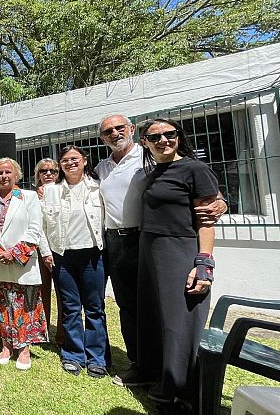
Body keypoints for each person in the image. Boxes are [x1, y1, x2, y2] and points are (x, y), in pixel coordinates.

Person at [95, 114, 228, 388]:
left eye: (120, 128)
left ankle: (172, 377)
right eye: (108, 131)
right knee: (131, 307)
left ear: (132, 131)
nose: (115, 133)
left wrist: (220, 202)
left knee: (164, 310)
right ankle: (140, 364)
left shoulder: (150, 157)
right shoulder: (102, 167)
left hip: (147, 238)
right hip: (120, 242)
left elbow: (196, 186)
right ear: (103, 138)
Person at [138, 118, 220, 412]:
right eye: (155, 136)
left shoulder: (195, 168)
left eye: (169, 134)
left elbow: (207, 218)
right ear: (145, 142)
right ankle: (162, 377)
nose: (163, 140)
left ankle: (179, 391)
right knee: (156, 318)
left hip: (179, 249)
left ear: (178, 136)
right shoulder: (154, 171)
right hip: (151, 250)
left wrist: (203, 263)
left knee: (179, 322)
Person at [42, 146, 108, 378]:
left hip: (92, 255)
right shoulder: (51, 191)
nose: (70, 163)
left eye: (74, 159)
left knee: (94, 308)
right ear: (60, 165)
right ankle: (73, 354)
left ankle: (97, 358)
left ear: (84, 161)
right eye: (65, 160)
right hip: (62, 255)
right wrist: (46, 252)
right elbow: (43, 227)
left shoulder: (98, 188)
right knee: (70, 308)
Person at [0, 158, 48, 369]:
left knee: (24, 305)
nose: (4, 176)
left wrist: (15, 253)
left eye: (8, 172)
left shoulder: (28, 197)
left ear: (16, 175)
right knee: (1, 304)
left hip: (22, 263)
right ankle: (6, 346)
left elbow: (35, 229)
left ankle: (24, 348)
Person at [33, 158, 63, 346]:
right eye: (44, 171)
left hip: (61, 249)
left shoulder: (64, 191)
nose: (49, 174)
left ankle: (62, 334)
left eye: (53, 171)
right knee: (41, 292)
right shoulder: (32, 196)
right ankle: (42, 332)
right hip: (39, 249)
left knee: (63, 293)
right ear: (38, 175)